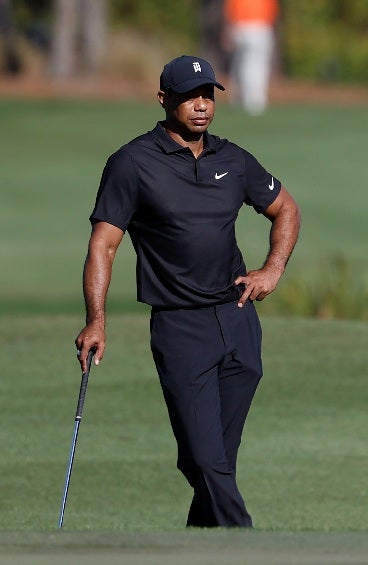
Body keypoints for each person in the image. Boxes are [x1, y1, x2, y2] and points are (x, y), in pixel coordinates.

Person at [74, 54, 301, 528]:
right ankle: (246, 545)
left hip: (238, 321)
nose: (200, 106)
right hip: (181, 326)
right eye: (188, 97)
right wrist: (96, 319)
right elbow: (104, 245)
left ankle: (199, 546)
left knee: (217, 461)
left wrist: (272, 269)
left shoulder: (233, 159)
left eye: (207, 95)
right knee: (202, 460)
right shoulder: (132, 163)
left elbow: (286, 209)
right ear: (163, 100)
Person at [224, 0, 278, 116]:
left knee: (244, 65)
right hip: (260, 27)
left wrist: (229, 27)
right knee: (256, 66)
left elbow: (231, 8)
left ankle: (240, 99)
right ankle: (254, 101)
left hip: (243, 26)